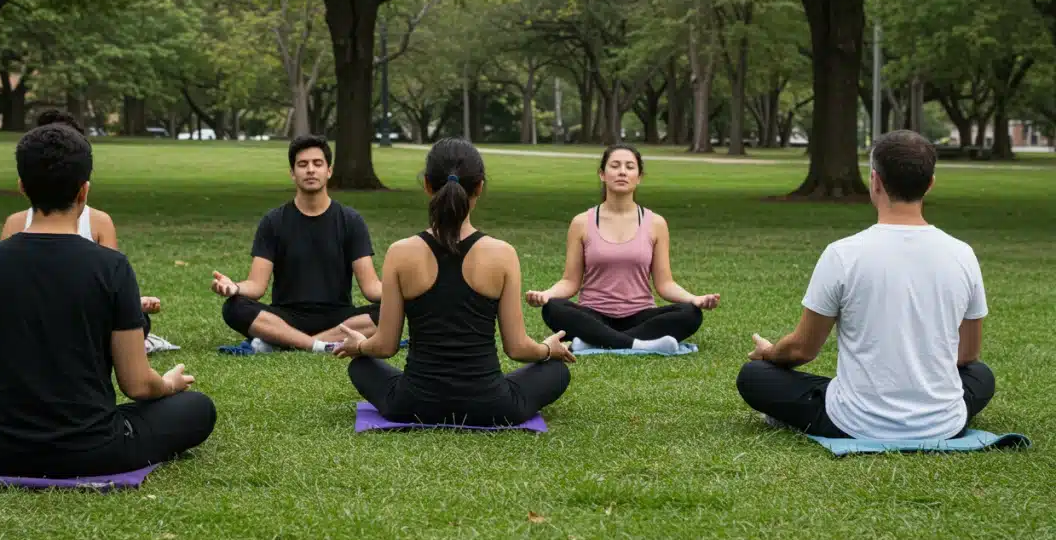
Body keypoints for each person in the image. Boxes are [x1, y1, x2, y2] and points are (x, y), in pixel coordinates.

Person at [0, 121, 215, 477]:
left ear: (22, 187)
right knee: (197, 408)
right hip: (93, 449)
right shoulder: (111, 267)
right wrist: (168, 385)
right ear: (84, 192)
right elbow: (136, 385)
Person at [737, 130, 995, 440]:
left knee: (754, 376)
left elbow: (802, 349)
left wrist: (769, 354)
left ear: (875, 181)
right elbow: (968, 356)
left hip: (855, 421)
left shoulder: (843, 254)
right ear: (930, 184)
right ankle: (924, 412)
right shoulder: (962, 254)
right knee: (980, 376)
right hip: (943, 422)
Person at [333, 138, 575, 427]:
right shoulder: (502, 254)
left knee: (360, 365)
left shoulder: (400, 252)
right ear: (480, 187)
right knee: (557, 371)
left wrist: (359, 346)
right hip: (491, 405)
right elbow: (518, 349)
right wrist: (549, 350)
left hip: (412, 403)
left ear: (426, 185)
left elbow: (385, 346)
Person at [0, 111, 175, 354]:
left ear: (22, 186)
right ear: (84, 189)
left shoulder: (99, 223)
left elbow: (108, 291)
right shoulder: (15, 224)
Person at [526, 144, 719, 352]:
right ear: (602, 174)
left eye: (630, 167)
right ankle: (640, 344)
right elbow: (570, 281)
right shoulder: (581, 222)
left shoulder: (656, 223)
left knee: (690, 314)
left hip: (639, 316)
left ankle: (594, 342)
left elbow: (665, 284)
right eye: (615, 166)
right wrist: (547, 294)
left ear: (639, 176)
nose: (622, 172)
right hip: (594, 315)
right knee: (553, 308)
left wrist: (694, 299)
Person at [212, 135, 383, 353]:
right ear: (293, 173)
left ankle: (284, 342)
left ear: (328, 171)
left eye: (317, 163)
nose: (310, 170)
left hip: (338, 318)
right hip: (285, 317)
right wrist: (234, 287)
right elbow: (256, 286)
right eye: (302, 165)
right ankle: (319, 345)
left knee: (387, 312)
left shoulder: (351, 221)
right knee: (234, 308)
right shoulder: (273, 221)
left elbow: (371, 288)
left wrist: (402, 292)